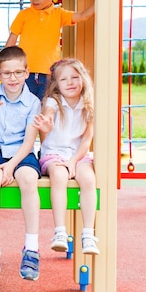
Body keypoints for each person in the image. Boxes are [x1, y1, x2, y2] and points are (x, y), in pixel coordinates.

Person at [0, 46, 42, 280]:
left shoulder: (33, 102)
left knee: (28, 179)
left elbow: (28, 142)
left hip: (21, 153)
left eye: (17, 73)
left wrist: (11, 165)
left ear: (26, 73)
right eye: (6, 73)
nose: (12, 78)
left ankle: (32, 247)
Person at [33, 59, 99, 255]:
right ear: (57, 84)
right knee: (59, 177)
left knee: (88, 179)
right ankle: (60, 231)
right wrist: (46, 124)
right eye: (64, 79)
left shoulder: (88, 105)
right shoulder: (54, 101)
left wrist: (73, 161)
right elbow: (49, 115)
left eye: (75, 77)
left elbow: (86, 141)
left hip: (77, 155)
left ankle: (88, 234)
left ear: (83, 79)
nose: (70, 83)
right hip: (53, 153)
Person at [4, 0, 95, 100]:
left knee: (46, 108)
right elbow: (11, 42)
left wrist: (100, 0)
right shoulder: (24, 15)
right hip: (25, 73)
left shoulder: (58, 14)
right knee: (23, 107)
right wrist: (5, 65)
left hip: (48, 75)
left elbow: (82, 16)